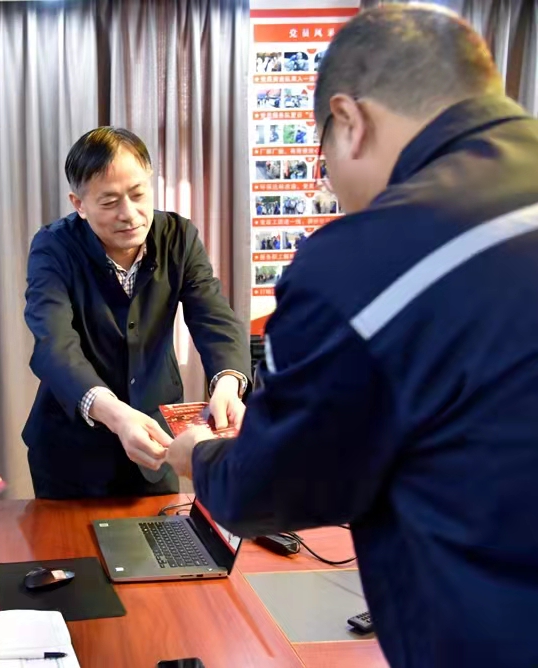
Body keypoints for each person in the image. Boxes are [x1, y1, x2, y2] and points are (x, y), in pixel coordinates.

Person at [166, 6, 538, 667]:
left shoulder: (366, 260)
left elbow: (270, 486)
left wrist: (199, 456)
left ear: (350, 120)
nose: (329, 184)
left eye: (324, 157)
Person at [23, 127, 250, 499]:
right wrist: (115, 414)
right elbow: (54, 344)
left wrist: (227, 383)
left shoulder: (178, 236)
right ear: (79, 204)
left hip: (157, 445)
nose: (129, 214)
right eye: (110, 201)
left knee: (168, 535)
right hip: (72, 453)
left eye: (138, 194)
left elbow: (214, 317)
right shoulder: (54, 247)